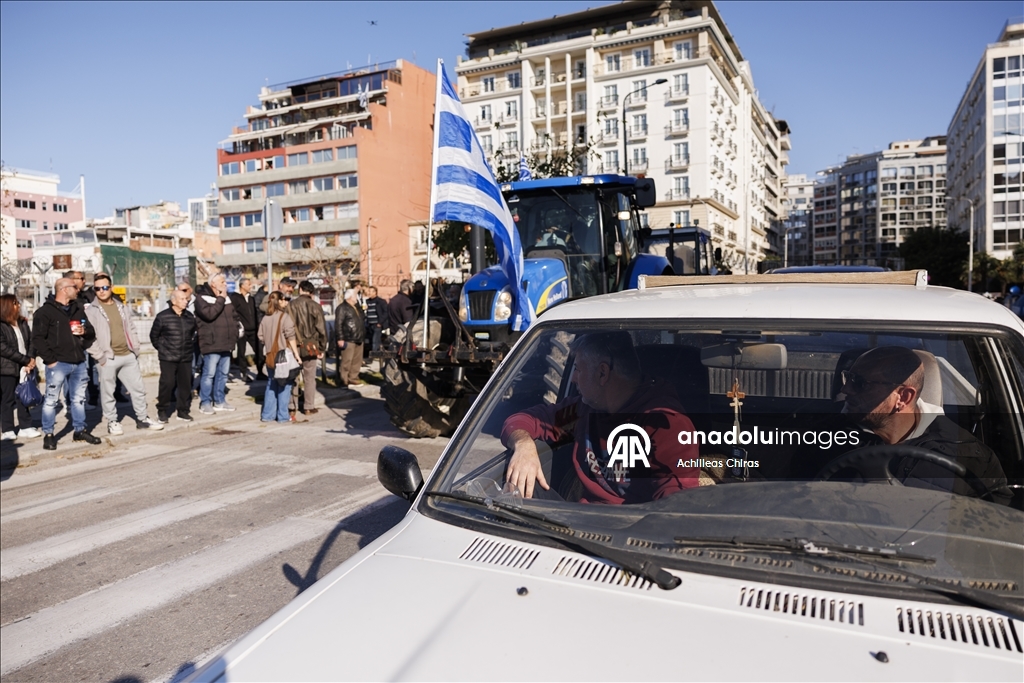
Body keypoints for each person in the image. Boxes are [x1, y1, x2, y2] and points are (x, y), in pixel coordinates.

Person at [502, 331, 700, 503]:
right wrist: (523, 444)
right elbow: (525, 420)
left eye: (578, 369)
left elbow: (676, 502)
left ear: (602, 373)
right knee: (516, 485)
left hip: (628, 533)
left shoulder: (666, 425)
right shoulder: (583, 410)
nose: (573, 378)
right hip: (580, 523)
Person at [838, 346, 1010, 504]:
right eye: (848, 378)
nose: (846, 390)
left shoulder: (971, 457)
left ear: (903, 397)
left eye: (860, 383)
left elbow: (995, 524)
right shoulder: (822, 437)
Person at [83, 273, 164, 435]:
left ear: (111, 288)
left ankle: (142, 418)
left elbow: (131, 328)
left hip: (128, 355)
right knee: (108, 392)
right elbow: (88, 337)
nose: (101, 291)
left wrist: (135, 348)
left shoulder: (122, 307)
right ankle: (112, 421)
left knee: (138, 389)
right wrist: (100, 357)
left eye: (105, 287)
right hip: (107, 358)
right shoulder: (91, 311)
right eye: (97, 288)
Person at [32, 277, 101, 450]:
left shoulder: (77, 308)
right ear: (63, 289)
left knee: (78, 399)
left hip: (78, 361)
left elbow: (91, 331)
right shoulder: (44, 312)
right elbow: (38, 339)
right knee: (51, 400)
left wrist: (84, 331)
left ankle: (80, 430)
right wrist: (51, 360)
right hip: (58, 363)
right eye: (74, 286)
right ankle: (48, 434)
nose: (78, 289)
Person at [194, 273, 240, 414]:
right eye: (222, 281)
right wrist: (220, 298)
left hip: (227, 343)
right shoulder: (202, 299)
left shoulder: (227, 299)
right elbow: (209, 314)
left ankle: (219, 401)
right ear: (213, 284)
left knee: (223, 374)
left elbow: (234, 316)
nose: (225, 284)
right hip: (212, 343)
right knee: (209, 374)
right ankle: (205, 402)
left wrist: (236, 331)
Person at [150, 289, 197, 422]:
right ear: (173, 301)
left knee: (185, 385)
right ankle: (162, 410)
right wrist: (162, 349)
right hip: (168, 357)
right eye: (182, 299)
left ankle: (182, 411)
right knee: (167, 383)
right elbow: (154, 336)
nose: (185, 301)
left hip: (186, 357)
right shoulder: (162, 317)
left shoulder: (189, 317)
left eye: (186, 299)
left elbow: (192, 334)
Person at [0, 295, 42, 441]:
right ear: (7, 305)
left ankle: (25, 426)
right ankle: (7, 429)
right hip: (6, 368)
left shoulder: (22, 322)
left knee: (24, 396)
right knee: (8, 399)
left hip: (24, 367)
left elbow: (31, 342)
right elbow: (3, 348)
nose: (18, 305)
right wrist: (25, 360)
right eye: (15, 303)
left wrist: (31, 359)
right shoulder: (2, 324)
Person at [258, 292, 301, 422]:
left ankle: (267, 415)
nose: (286, 302)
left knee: (271, 384)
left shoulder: (265, 318)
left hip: (270, 355)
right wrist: (297, 355)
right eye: (284, 300)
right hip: (283, 356)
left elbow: (260, 337)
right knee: (285, 384)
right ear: (280, 301)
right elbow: (291, 337)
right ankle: (283, 416)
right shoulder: (284, 317)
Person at [288, 280, 327, 415]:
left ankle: (292, 406)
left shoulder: (290, 305)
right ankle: (309, 406)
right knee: (310, 377)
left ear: (300, 289)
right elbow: (321, 329)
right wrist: (321, 348)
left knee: (293, 376)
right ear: (312, 292)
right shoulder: (316, 306)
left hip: (294, 344)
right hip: (311, 345)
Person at [230, 277, 262, 381]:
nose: (251, 286)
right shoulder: (235, 297)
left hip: (253, 330)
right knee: (241, 352)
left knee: (259, 351)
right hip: (242, 330)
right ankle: (243, 373)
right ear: (242, 286)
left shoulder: (251, 298)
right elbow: (232, 313)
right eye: (248, 284)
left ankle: (260, 372)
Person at [335, 289, 365, 386]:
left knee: (357, 360)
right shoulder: (342, 308)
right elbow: (338, 324)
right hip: (348, 338)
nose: (357, 297)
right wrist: (340, 338)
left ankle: (353, 378)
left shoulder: (356, 307)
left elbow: (362, 318)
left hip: (358, 337)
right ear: (350, 297)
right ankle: (344, 380)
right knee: (346, 361)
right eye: (355, 295)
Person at [363, 286, 389, 353]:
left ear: (375, 292)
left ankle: (373, 355)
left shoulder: (380, 301)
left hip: (377, 324)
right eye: (368, 291)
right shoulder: (367, 302)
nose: (369, 293)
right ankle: (382, 352)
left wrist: (380, 322)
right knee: (376, 340)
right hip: (369, 324)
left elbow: (386, 312)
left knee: (375, 340)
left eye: (371, 291)